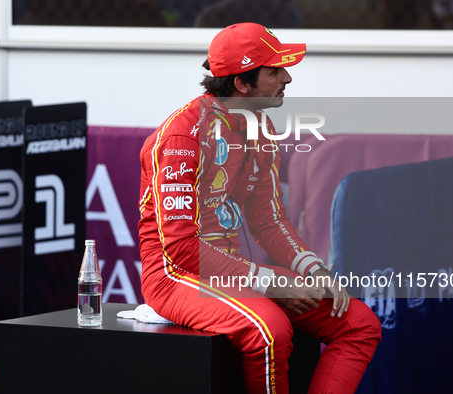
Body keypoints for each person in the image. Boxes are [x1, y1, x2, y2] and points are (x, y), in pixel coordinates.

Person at [138, 23, 381, 394]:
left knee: (358, 323)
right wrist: (270, 281)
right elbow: (181, 250)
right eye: (274, 71)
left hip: (235, 269)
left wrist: (311, 268)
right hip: (174, 276)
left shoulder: (259, 127)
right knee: (270, 330)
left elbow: (268, 219)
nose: (287, 78)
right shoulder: (180, 137)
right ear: (241, 84)